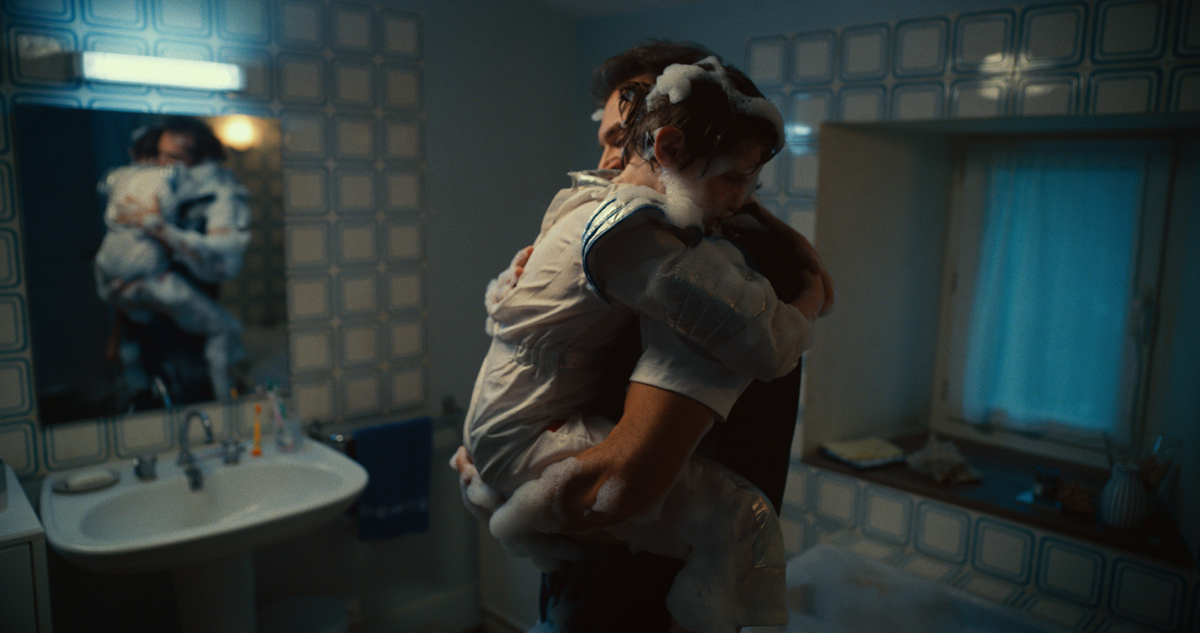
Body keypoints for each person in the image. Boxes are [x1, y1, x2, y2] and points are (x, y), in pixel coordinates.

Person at [457, 58, 830, 633]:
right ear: (670, 146)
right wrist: (811, 291)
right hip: (529, 450)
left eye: (749, 183)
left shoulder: (595, 209)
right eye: (735, 179)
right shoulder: (637, 236)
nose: (612, 160)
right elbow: (770, 343)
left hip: (511, 429)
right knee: (743, 520)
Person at [94, 116, 252, 407]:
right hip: (146, 318)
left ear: (200, 158)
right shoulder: (160, 184)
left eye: (173, 157)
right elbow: (128, 255)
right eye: (160, 154)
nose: (161, 162)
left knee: (192, 394)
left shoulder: (220, 196)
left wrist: (161, 231)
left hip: (189, 324)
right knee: (154, 395)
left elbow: (223, 265)